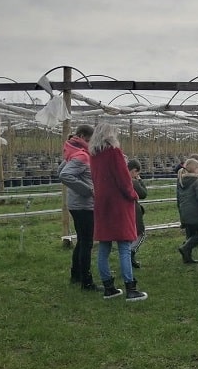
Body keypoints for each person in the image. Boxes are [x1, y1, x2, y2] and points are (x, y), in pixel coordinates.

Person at [88, 122, 148, 302]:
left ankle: (109, 287)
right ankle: (131, 288)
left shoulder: (93, 155)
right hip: (118, 204)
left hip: (102, 203)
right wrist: (133, 194)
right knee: (124, 246)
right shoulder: (114, 153)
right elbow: (124, 179)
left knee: (104, 246)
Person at [58, 124, 98, 291]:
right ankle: (86, 282)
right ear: (82, 136)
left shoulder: (72, 151)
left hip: (76, 204)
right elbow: (64, 174)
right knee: (87, 242)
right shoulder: (81, 155)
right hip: (83, 205)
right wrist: (88, 190)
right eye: (89, 140)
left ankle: (76, 274)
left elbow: (61, 169)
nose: (91, 144)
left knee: (82, 240)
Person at [176, 158, 198, 264]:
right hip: (195, 212)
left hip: (185, 211)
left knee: (190, 234)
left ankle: (187, 258)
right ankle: (185, 247)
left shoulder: (181, 181)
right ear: (194, 169)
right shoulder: (197, 182)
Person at [127, 158, 147, 269]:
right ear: (134, 170)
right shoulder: (132, 181)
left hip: (125, 212)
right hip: (133, 210)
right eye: (137, 173)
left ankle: (128, 257)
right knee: (140, 234)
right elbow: (143, 194)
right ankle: (131, 254)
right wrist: (139, 180)